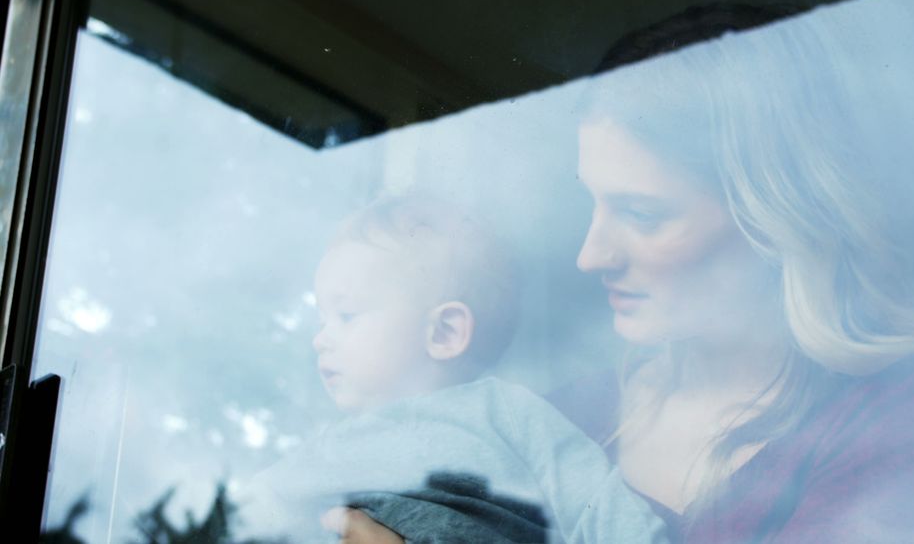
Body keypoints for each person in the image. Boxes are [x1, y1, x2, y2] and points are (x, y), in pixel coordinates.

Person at [325, 5, 914, 543]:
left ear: (772, 219)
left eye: (643, 215)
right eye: (592, 203)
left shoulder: (913, 405)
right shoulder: (564, 418)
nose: (592, 255)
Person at [247, 195, 671, 543]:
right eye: (323, 320)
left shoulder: (508, 413)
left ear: (445, 332)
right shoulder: (338, 442)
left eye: (347, 315)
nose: (321, 338)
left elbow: (601, 507)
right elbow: (252, 509)